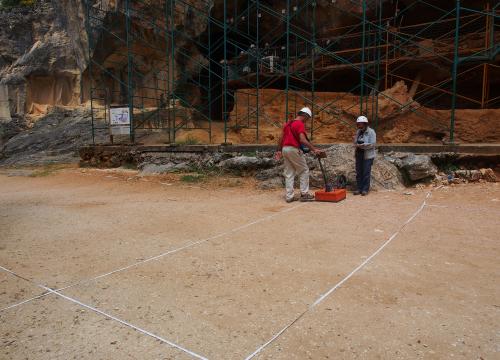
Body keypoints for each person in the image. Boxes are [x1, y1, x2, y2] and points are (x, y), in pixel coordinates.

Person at [276, 107, 323, 203]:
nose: (307, 121)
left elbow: (280, 138)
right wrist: (314, 149)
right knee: (304, 170)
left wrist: (279, 150)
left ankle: (289, 196)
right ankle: (304, 194)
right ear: (305, 116)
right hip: (294, 149)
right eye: (308, 118)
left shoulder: (287, 124)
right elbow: (302, 139)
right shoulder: (299, 124)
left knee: (289, 173)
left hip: (285, 149)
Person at [353, 115, 376, 196]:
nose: (359, 126)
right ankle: (359, 188)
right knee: (359, 172)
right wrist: (356, 143)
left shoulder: (371, 132)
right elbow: (355, 141)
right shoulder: (358, 132)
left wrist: (363, 145)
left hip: (367, 155)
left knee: (366, 172)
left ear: (365, 124)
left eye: (361, 124)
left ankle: (365, 189)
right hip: (359, 154)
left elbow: (372, 144)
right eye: (358, 124)